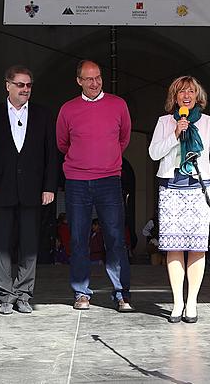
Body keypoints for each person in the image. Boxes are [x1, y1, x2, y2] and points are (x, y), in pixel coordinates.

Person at [0, 65, 57, 315]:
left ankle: (24, 295)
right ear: (8, 85)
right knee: (1, 244)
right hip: (1, 190)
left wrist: (49, 186)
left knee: (29, 244)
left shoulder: (43, 115)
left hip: (33, 191)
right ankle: (4, 295)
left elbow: (51, 155)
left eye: (29, 85)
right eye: (20, 84)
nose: (25, 89)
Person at [56, 60, 133, 312]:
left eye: (98, 77)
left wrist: (105, 159)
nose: (94, 83)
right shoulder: (68, 109)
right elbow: (62, 143)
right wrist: (84, 160)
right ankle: (81, 293)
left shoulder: (118, 104)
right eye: (88, 79)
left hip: (109, 180)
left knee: (115, 238)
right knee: (78, 239)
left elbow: (124, 138)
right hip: (77, 182)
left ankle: (121, 294)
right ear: (78, 81)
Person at [148, 76, 210, 323]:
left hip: (200, 188)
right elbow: (153, 153)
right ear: (175, 96)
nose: (187, 95)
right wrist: (174, 133)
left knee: (197, 246)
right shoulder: (164, 122)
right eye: (182, 92)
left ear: (197, 95)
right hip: (171, 187)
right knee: (174, 246)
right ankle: (177, 302)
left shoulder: (208, 123)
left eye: (191, 91)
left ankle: (192, 302)